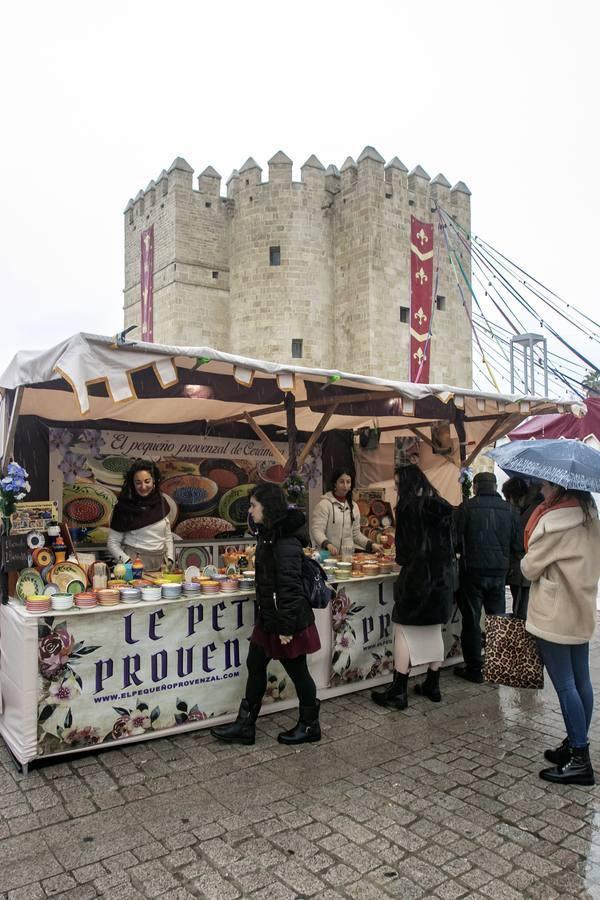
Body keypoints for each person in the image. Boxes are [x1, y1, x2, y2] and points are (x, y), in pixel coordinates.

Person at [211, 483, 321, 746]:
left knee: (299, 673)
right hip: (271, 617)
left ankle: (310, 725)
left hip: (287, 620)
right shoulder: (269, 533)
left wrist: (285, 627)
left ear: (267, 508)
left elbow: (289, 586)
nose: (250, 511)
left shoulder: (284, 540)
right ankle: (245, 725)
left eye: (253, 506)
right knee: (255, 664)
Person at [522, 480, 600, 785]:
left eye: (544, 485)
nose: (541, 491)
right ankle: (574, 742)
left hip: (553, 612)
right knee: (582, 681)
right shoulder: (590, 515)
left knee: (566, 685)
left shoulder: (553, 523)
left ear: (558, 487)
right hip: (580, 606)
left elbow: (529, 569)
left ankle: (580, 759)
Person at [371, 464, 455, 709]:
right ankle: (433, 684)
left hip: (418, 581)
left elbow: (404, 554)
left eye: (398, 485)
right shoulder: (442, 505)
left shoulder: (409, 508)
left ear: (407, 485)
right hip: (443, 580)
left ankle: (398, 691)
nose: (396, 490)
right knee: (434, 629)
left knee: (402, 631)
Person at [454, 471, 521, 683]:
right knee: (497, 619)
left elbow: (454, 541)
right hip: (499, 573)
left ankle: (474, 669)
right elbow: (518, 546)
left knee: (472, 621)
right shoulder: (510, 510)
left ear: (475, 487)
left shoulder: (466, 507)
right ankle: (496, 666)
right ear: (495, 487)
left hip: (472, 572)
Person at [107, 460, 174, 571]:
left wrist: (170, 559)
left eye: (147, 481)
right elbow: (112, 543)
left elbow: (167, 537)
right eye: (138, 482)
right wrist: (128, 563)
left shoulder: (161, 503)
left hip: (162, 565)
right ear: (132, 484)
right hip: (135, 563)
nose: (143, 486)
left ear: (154, 481)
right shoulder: (124, 507)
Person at [310, 468, 384, 557]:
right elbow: (317, 530)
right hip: (326, 556)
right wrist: (327, 544)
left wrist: (371, 545)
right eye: (341, 482)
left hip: (347, 558)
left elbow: (356, 535)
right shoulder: (324, 504)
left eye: (348, 482)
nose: (345, 485)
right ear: (335, 483)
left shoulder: (354, 506)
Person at [502, 476, 543, 619]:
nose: (508, 502)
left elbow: (521, 543)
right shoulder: (529, 507)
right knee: (522, 610)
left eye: (509, 499)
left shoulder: (531, 511)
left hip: (523, 571)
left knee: (521, 613)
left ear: (517, 497)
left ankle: (521, 640)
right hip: (522, 569)